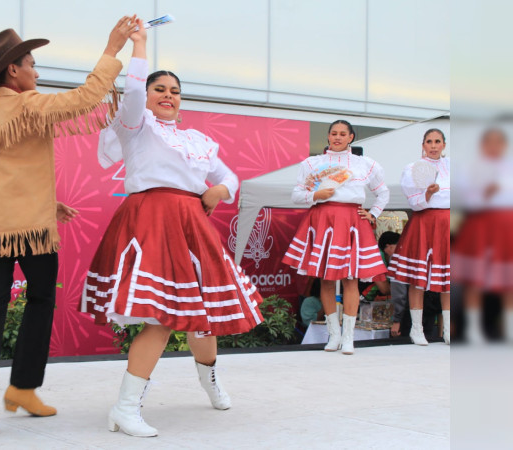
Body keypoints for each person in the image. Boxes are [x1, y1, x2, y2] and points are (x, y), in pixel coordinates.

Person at [79, 20, 264, 438]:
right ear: (145, 94)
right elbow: (129, 93)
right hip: (150, 221)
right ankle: (125, 408)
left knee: (203, 319)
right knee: (160, 317)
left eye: (175, 91)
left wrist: (218, 189)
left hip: (192, 225)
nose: (167, 95)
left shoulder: (198, 139)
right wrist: (139, 43)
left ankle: (209, 380)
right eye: (159, 88)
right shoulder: (134, 125)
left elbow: (231, 177)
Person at [0, 19, 137, 435]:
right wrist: (112, 49)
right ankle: (22, 386)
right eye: (32, 65)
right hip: (32, 233)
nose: (37, 73)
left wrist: (46, 201)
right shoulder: (26, 104)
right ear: (13, 71)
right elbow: (84, 100)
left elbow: (1, 173)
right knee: (40, 302)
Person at [282, 120, 389, 355]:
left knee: (351, 279)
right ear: (328, 137)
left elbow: (383, 192)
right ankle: (334, 335)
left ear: (351, 137)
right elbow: (296, 195)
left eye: (343, 134)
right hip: (322, 219)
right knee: (326, 279)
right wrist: (316, 194)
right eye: (333, 133)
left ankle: (349, 337)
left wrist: (372, 213)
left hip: (352, 221)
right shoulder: (313, 163)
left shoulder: (365, 164)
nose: (337, 137)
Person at [388, 129, 450, 345]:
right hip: (424, 221)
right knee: (418, 278)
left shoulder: (453, 166)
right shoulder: (412, 168)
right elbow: (415, 202)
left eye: (437, 141)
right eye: (429, 142)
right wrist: (429, 194)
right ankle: (416, 329)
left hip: (449, 222)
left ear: (444, 144)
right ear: (423, 145)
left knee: (448, 279)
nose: (433, 146)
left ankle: (449, 330)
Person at [454, 127, 513, 343]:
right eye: (490, 141)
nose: (494, 146)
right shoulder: (470, 168)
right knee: (475, 280)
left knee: (509, 280)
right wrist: (485, 193)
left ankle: (509, 327)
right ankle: (472, 329)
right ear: (482, 145)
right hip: (480, 224)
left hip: (508, 225)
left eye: (499, 142)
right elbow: (465, 199)